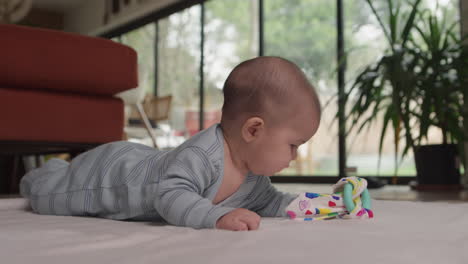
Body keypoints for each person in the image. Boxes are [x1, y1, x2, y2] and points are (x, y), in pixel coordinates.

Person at [20, 56, 321, 231]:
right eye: (293, 145)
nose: (294, 156)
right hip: (114, 174)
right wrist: (216, 217)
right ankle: (40, 175)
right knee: (49, 194)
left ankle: (57, 169)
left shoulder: (254, 178)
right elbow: (170, 196)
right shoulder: (202, 154)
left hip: (148, 158)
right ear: (253, 130)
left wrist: (323, 206)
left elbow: (273, 202)